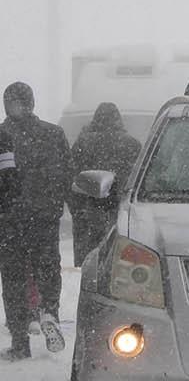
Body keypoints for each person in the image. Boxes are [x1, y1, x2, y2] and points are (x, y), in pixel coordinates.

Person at [0, 82, 72, 360]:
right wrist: (56, 206)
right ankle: (49, 311)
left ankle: (20, 341)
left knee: (14, 279)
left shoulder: (3, 134)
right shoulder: (53, 133)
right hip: (44, 218)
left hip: (10, 220)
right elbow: (67, 173)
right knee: (48, 268)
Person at [68, 102, 141, 265]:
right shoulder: (132, 145)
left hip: (88, 210)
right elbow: (138, 180)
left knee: (88, 262)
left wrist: (76, 208)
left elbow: (72, 177)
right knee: (120, 262)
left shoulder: (83, 143)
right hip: (120, 210)